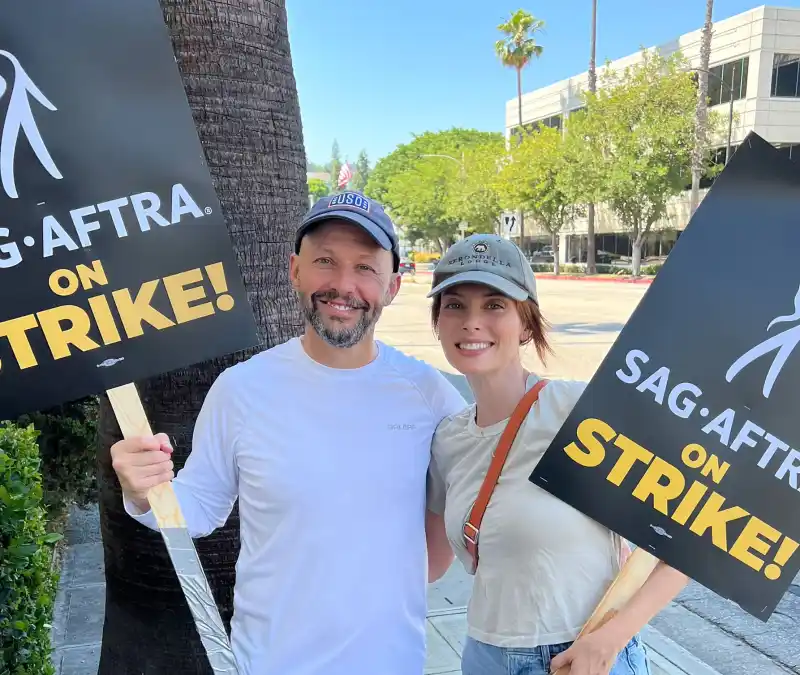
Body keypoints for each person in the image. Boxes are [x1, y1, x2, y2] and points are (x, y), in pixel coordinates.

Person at [109, 192, 467, 675]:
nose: (344, 285)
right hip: (269, 662)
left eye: (365, 267)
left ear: (394, 285)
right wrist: (143, 490)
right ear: (295, 269)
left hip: (391, 661)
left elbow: (468, 510)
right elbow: (198, 506)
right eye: (326, 261)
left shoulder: (431, 396)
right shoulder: (242, 389)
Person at [426, 234, 689, 675]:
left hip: (577, 657)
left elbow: (685, 539)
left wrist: (610, 640)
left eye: (494, 305)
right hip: (483, 654)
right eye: (454, 305)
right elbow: (430, 562)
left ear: (526, 324)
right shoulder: (448, 440)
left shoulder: (579, 411)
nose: (472, 322)